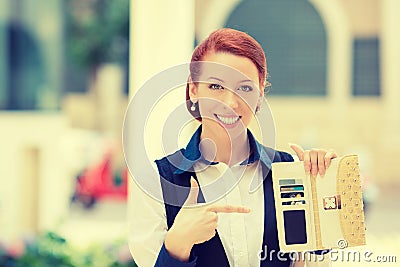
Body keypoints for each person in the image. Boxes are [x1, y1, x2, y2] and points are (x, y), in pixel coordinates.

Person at [128, 28, 337, 267]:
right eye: (216, 87)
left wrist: (325, 192)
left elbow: (315, 262)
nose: (230, 102)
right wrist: (178, 243)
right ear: (194, 90)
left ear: (260, 94)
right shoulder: (154, 182)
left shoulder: (289, 171)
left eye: (245, 88)